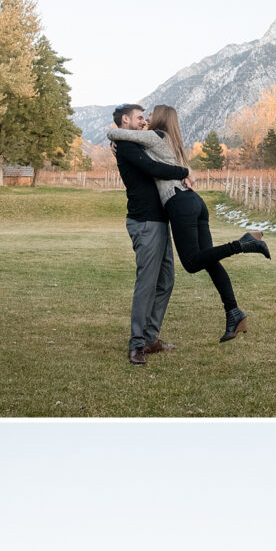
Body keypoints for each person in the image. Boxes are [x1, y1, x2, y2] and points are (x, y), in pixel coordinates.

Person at [108, 106, 271, 343]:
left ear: (160, 118)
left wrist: (111, 137)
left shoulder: (155, 136)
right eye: (142, 117)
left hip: (179, 202)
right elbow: (132, 149)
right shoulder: (171, 139)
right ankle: (233, 311)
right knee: (209, 259)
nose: (147, 119)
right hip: (195, 202)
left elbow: (120, 135)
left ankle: (243, 243)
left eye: (150, 115)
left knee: (193, 263)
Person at [112, 103, 190, 366]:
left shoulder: (138, 142)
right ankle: (136, 344)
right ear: (125, 120)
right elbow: (155, 168)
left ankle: (150, 337)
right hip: (145, 222)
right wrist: (184, 173)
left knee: (166, 280)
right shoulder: (126, 145)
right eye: (139, 118)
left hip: (160, 220)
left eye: (145, 117)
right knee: (147, 284)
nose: (144, 121)